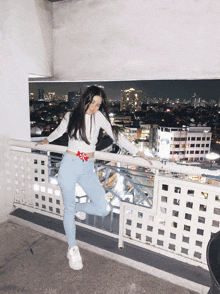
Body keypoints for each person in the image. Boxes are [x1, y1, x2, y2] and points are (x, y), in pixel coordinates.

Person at [36, 85, 152, 270]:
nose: (95, 107)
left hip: (87, 166)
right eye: (93, 102)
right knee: (69, 208)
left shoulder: (98, 117)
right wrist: (46, 140)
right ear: (85, 98)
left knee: (103, 208)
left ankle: (76, 209)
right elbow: (59, 132)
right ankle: (72, 248)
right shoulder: (70, 116)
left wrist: (139, 153)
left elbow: (116, 136)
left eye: (99, 104)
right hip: (69, 164)